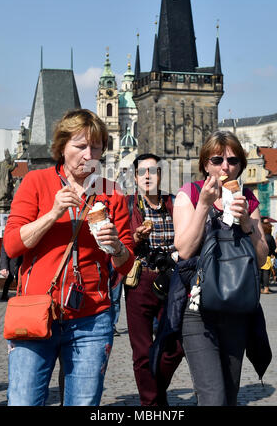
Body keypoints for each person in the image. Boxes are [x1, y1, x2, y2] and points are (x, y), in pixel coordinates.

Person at [3, 108, 134, 406]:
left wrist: (116, 246)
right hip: (37, 312)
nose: (89, 154)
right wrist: (52, 214)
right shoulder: (36, 183)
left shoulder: (111, 193)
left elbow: (126, 264)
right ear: (62, 147)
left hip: (92, 319)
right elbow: (11, 245)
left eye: (96, 147)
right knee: (23, 401)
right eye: (80, 146)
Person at [173, 130, 268, 406]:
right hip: (198, 309)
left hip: (236, 307)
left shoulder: (247, 199)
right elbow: (185, 250)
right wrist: (204, 205)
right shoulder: (189, 194)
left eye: (233, 161)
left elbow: (262, 258)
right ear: (205, 164)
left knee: (228, 395)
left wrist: (248, 225)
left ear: (240, 166)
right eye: (217, 160)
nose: (225, 167)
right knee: (212, 398)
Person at [124, 153, 184, 406]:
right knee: (142, 351)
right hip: (140, 282)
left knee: (176, 345)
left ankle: (155, 391)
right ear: (136, 177)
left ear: (161, 175)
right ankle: (152, 404)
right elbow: (119, 243)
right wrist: (135, 237)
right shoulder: (128, 205)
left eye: (153, 171)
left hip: (172, 280)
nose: (147, 176)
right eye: (142, 172)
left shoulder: (174, 203)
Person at [260, 220, 277, 293]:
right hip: (267, 257)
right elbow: (273, 247)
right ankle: (266, 288)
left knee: (260, 273)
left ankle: (260, 288)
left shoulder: (260, 236)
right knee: (266, 273)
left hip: (259, 256)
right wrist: (274, 253)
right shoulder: (269, 237)